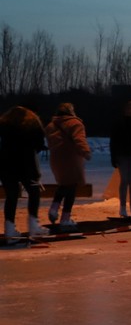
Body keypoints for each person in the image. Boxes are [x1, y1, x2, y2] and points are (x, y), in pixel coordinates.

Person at [1, 105, 48, 239]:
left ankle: (9, 228)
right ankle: (33, 225)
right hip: (27, 164)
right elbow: (39, 144)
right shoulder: (32, 124)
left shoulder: (4, 125)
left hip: (6, 164)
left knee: (11, 196)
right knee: (34, 192)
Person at [44, 102, 90, 230]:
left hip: (56, 159)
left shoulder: (50, 126)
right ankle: (65, 218)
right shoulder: (75, 123)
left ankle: (54, 208)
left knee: (63, 184)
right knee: (71, 188)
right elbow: (79, 139)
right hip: (71, 158)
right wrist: (86, 151)